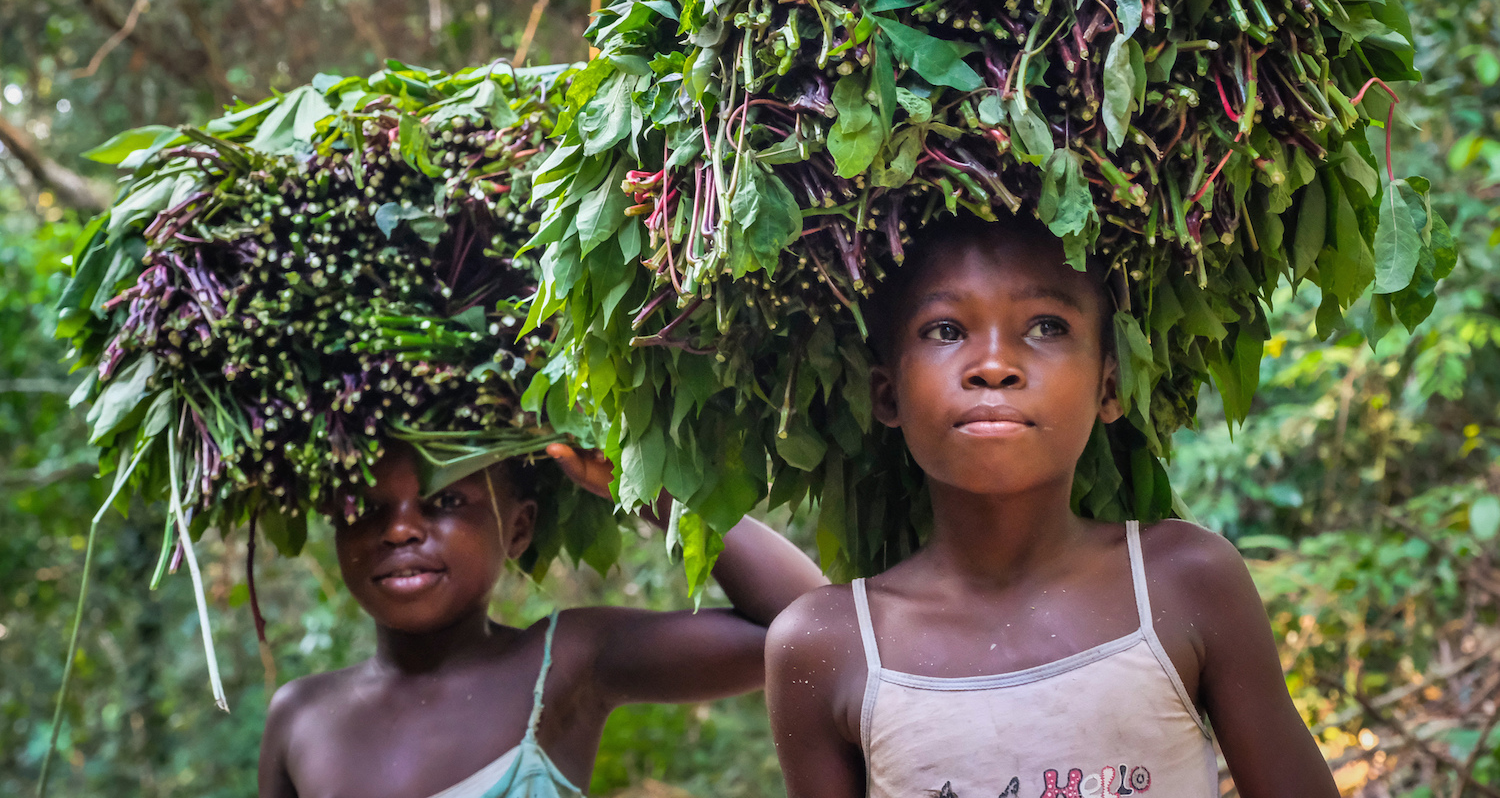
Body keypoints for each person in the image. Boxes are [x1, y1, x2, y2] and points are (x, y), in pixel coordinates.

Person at [764, 212, 1338, 798]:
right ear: (888, 394)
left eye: (1045, 326)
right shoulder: (827, 646)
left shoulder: (1186, 581)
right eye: (945, 330)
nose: (993, 366)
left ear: (1109, 387)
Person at [258, 441, 825, 798]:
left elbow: (815, 630)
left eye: (447, 503)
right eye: (365, 508)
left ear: (519, 529)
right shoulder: (300, 715)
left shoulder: (566, 664)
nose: (400, 530)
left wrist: (648, 490)